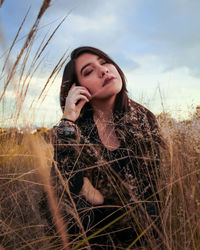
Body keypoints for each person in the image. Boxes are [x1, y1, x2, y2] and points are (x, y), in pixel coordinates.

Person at [49, 46, 165, 249]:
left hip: (142, 238)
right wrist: (68, 118)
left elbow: (150, 193)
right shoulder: (78, 129)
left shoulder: (143, 119)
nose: (103, 70)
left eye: (104, 62)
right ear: (78, 89)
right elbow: (62, 187)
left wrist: (96, 192)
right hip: (91, 240)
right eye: (89, 71)